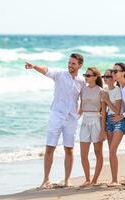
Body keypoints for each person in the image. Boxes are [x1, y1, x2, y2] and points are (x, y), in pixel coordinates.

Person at [25, 53, 85, 188]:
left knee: (69, 149)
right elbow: (46, 71)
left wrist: (79, 113)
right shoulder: (60, 74)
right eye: (69, 62)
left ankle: (67, 180)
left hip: (71, 119)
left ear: (79, 65)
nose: (70, 65)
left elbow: (84, 98)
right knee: (50, 148)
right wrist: (34, 66)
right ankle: (46, 180)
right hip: (56, 116)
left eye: (73, 63)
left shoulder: (82, 81)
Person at [79, 67, 106, 186]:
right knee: (83, 154)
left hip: (96, 120)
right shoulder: (82, 89)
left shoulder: (101, 91)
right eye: (85, 75)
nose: (86, 77)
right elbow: (80, 107)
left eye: (88, 75)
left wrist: (103, 131)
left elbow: (103, 112)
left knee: (98, 152)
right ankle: (87, 179)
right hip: (85, 120)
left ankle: (95, 179)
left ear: (95, 77)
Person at [101, 69, 125, 187]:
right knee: (111, 152)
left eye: (107, 76)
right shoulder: (104, 91)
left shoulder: (117, 90)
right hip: (108, 121)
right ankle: (114, 179)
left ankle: (116, 180)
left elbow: (117, 110)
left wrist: (106, 100)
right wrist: (103, 128)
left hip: (118, 120)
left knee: (112, 150)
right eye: (103, 76)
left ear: (113, 78)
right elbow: (104, 113)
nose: (105, 78)